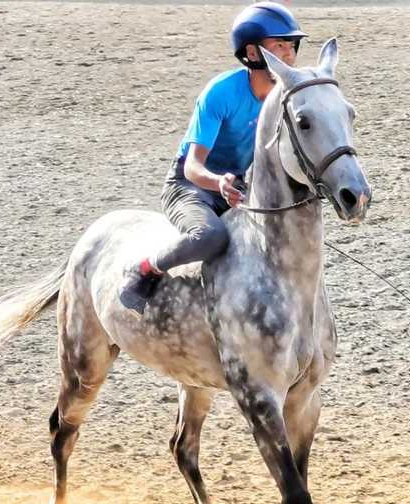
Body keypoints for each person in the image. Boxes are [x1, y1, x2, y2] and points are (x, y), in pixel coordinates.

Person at [119, 1, 306, 316]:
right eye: (278, 46)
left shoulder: (287, 95)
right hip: (192, 185)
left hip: (240, 184)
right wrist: (219, 183)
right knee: (210, 237)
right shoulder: (220, 93)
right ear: (252, 53)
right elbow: (193, 166)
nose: (288, 55)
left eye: (291, 46)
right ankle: (145, 270)